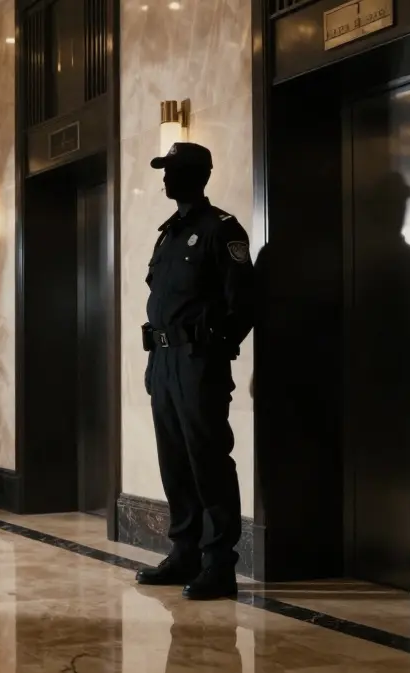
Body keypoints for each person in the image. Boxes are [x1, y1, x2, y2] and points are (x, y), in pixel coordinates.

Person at [135, 142, 255, 601]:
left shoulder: (220, 230)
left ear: (198, 175)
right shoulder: (168, 234)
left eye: (173, 170)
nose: (165, 178)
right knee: (174, 459)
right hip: (163, 362)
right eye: (165, 170)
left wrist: (213, 351)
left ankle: (218, 564)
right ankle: (184, 551)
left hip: (197, 363)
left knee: (208, 462)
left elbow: (242, 302)